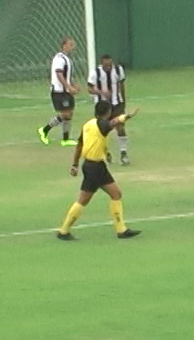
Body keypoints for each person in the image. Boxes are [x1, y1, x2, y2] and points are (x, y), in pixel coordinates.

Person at [56, 101, 142, 241]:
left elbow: (80, 145)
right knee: (113, 194)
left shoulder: (88, 125)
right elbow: (113, 123)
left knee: (90, 198)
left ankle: (64, 231)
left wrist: (75, 164)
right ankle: (120, 230)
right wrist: (127, 116)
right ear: (107, 112)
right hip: (96, 168)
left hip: (89, 166)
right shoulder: (101, 124)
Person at [87, 54, 130, 166]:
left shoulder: (118, 70)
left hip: (117, 104)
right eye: (106, 65)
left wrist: (123, 101)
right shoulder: (95, 72)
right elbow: (89, 89)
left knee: (120, 127)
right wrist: (102, 93)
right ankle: (105, 153)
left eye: (110, 65)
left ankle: (123, 153)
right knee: (101, 131)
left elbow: (121, 85)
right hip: (102, 106)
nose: (109, 67)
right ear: (102, 64)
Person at [38, 37, 80, 147]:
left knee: (69, 113)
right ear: (64, 45)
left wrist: (73, 84)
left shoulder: (67, 59)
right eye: (70, 45)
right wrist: (68, 87)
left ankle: (65, 139)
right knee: (65, 113)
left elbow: (67, 75)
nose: (72, 47)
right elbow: (59, 74)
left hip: (65, 91)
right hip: (59, 91)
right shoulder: (59, 58)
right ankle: (45, 130)